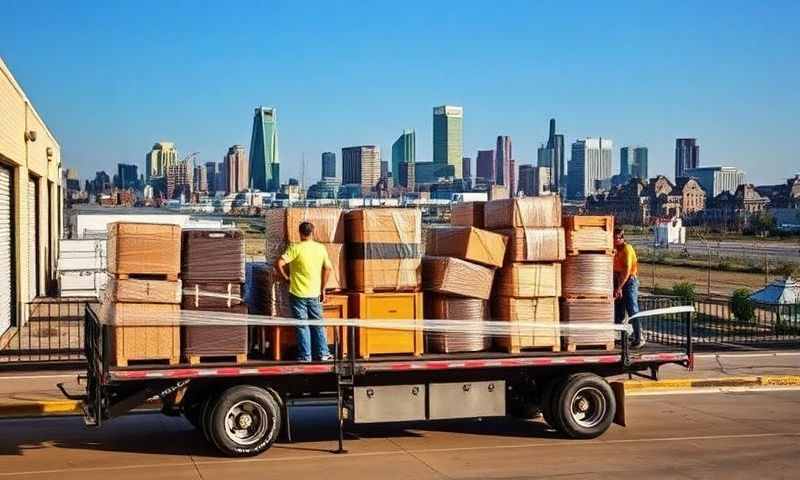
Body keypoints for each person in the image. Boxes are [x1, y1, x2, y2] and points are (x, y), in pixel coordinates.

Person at [274, 221, 333, 362]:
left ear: (300, 233)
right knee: (318, 324)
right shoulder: (320, 248)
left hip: (297, 292)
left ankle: (306, 356)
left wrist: (286, 278)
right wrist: (323, 288)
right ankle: (323, 353)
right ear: (312, 232)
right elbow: (328, 268)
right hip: (314, 293)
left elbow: (278, 263)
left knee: (302, 326)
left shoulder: (295, 248)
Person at [613, 227, 645, 348]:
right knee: (619, 311)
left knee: (632, 309)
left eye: (616, 238)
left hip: (629, 281)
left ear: (622, 238)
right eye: (613, 238)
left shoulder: (627, 249)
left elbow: (626, 271)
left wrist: (620, 287)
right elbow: (615, 270)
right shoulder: (615, 251)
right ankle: (623, 336)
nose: (614, 241)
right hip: (619, 281)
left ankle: (639, 337)